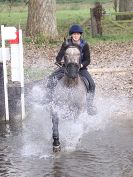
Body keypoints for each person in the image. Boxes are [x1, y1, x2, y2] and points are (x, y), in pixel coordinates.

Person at [47, 24, 96, 115]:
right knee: (51, 79)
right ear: (71, 35)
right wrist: (60, 61)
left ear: (80, 35)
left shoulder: (84, 44)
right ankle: (50, 102)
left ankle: (90, 106)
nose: (76, 36)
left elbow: (88, 60)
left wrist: (81, 65)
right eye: (74, 34)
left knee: (92, 84)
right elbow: (59, 57)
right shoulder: (66, 43)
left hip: (80, 68)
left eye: (77, 34)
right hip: (67, 67)